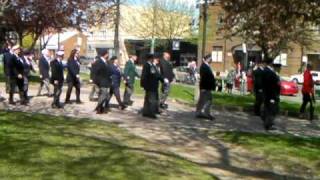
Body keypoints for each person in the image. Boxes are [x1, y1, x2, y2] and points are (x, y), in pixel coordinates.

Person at [141, 54, 163, 119]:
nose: (153, 59)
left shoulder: (152, 65)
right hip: (150, 85)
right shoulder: (147, 65)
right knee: (151, 100)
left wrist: (161, 79)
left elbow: (156, 74)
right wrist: (143, 85)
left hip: (153, 85)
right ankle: (151, 113)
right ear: (150, 59)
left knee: (148, 99)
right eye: (153, 58)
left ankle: (146, 112)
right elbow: (144, 76)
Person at [261, 58, 281, 131]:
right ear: (271, 63)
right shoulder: (271, 73)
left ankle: (267, 122)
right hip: (271, 94)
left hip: (266, 93)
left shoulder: (264, 71)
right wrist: (274, 96)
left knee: (267, 109)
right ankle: (269, 124)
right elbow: (273, 85)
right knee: (272, 110)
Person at [196, 55, 216, 121]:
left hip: (206, 86)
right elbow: (205, 77)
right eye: (210, 59)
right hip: (205, 86)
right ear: (206, 59)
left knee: (202, 100)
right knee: (208, 100)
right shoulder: (204, 66)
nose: (211, 60)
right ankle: (206, 113)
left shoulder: (206, 66)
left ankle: (199, 112)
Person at [95, 50, 112, 114]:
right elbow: (96, 72)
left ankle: (100, 108)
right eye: (107, 54)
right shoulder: (99, 62)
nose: (108, 55)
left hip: (106, 81)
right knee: (104, 95)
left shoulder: (106, 62)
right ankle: (98, 108)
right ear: (105, 54)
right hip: (101, 82)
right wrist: (98, 81)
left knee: (104, 95)